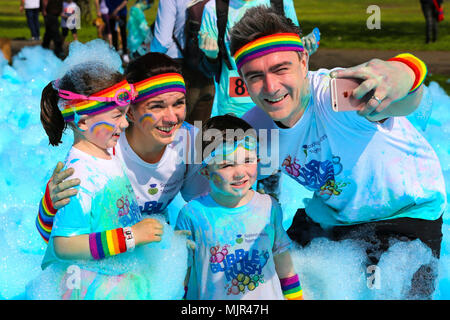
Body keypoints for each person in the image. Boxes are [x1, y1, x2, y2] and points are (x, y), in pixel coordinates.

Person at [230, 6, 446, 299]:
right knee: (264, 285)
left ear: (303, 60)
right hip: (333, 218)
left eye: (281, 69)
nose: (270, 87)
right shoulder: (255, 130)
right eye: (255, 76)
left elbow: (407, 100)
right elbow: (205, 179)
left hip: (407, 215)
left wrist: (403, 72)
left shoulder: (339, 94)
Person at [36, 52, 210, 244]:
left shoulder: (192, 142)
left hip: (155, 245)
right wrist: (50, 204)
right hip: (112, 251)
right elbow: (51, 239)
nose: (171, 117)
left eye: (179, 103)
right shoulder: (102, 149)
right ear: (131, 113)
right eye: (156, 107)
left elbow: (207, 210)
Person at [38, 60, 169, 299]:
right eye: (118, 115)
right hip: (94, 286)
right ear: (83, 121)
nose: (126, 123)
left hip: (119, 276)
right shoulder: (77, 176)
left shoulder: (105, 153)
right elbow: (63, 246)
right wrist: (130, 236)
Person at [176, 114, 303, 300]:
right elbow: (183, 273)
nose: (240, 173)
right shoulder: (193, 215)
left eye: (248, 160)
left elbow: (282, 259)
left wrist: (296, 298)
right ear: (205, 171)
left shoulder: (269, 207)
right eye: (227, 164)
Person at [198, 0, 319, 118]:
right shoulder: (213, 8)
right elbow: (208, 70)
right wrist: (211, 56)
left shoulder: (281, 2)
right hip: (234, 108)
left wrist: (302, 49)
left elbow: (291, 52)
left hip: (279, 100)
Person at [150, 0, 215, 125]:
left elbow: (162, 41)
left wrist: (147, 53)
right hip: (207, 67)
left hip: (176, 69)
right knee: (199, 134)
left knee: (173, 132)